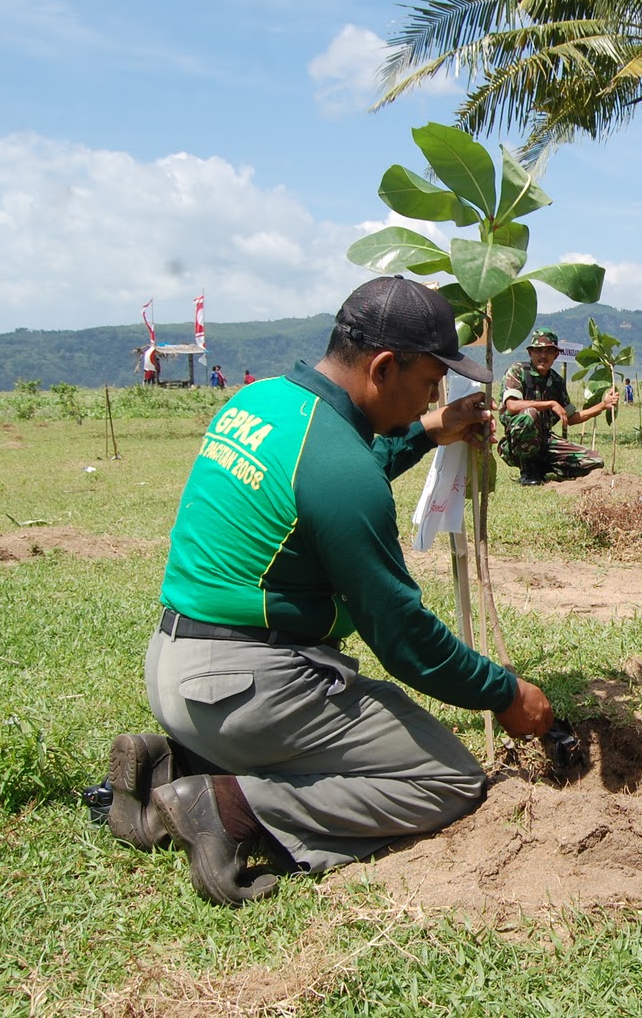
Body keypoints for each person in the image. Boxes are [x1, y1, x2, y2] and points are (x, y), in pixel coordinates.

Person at [105, 275, 554, 907]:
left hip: (177, 671)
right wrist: (506, 693)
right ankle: (230, 807)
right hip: (248, 688)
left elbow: (331, 472)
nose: (433, 394)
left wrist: (427, 429)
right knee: (446, 777)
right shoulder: (340, 471)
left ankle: (170, 767)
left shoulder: (259, 402)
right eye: (429, 383)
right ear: (383, 366)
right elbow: (402, 637)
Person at [497, 329, 619, 486]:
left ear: (556, 355)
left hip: (545, 441)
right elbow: (512, 406)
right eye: (539, 350)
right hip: (515, 443)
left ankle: (544, 466)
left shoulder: (556, 381)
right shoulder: (518, 371)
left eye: (549, 351)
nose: (543, 356)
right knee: (529, 414)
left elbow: (571, 417)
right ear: (530, 353)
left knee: (594, 461)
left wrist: (603, 405)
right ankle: (528, 470)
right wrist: (550, 404)